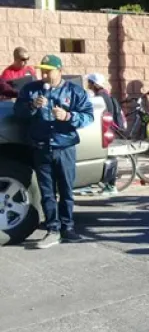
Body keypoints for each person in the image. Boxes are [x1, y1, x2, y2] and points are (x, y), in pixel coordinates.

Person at [14, 55, 94, 249]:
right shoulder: (31, 90)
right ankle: (52, 229)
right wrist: (32, 106)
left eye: (48, 70)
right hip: (41, 148)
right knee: (47, 192)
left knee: (66, 189)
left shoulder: (74, 92)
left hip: (64, 147)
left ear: (59, 70)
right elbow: (18, 111)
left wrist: (68, 116)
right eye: (42, 70)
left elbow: (88, 116)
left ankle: (68, 227)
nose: (44, 74)